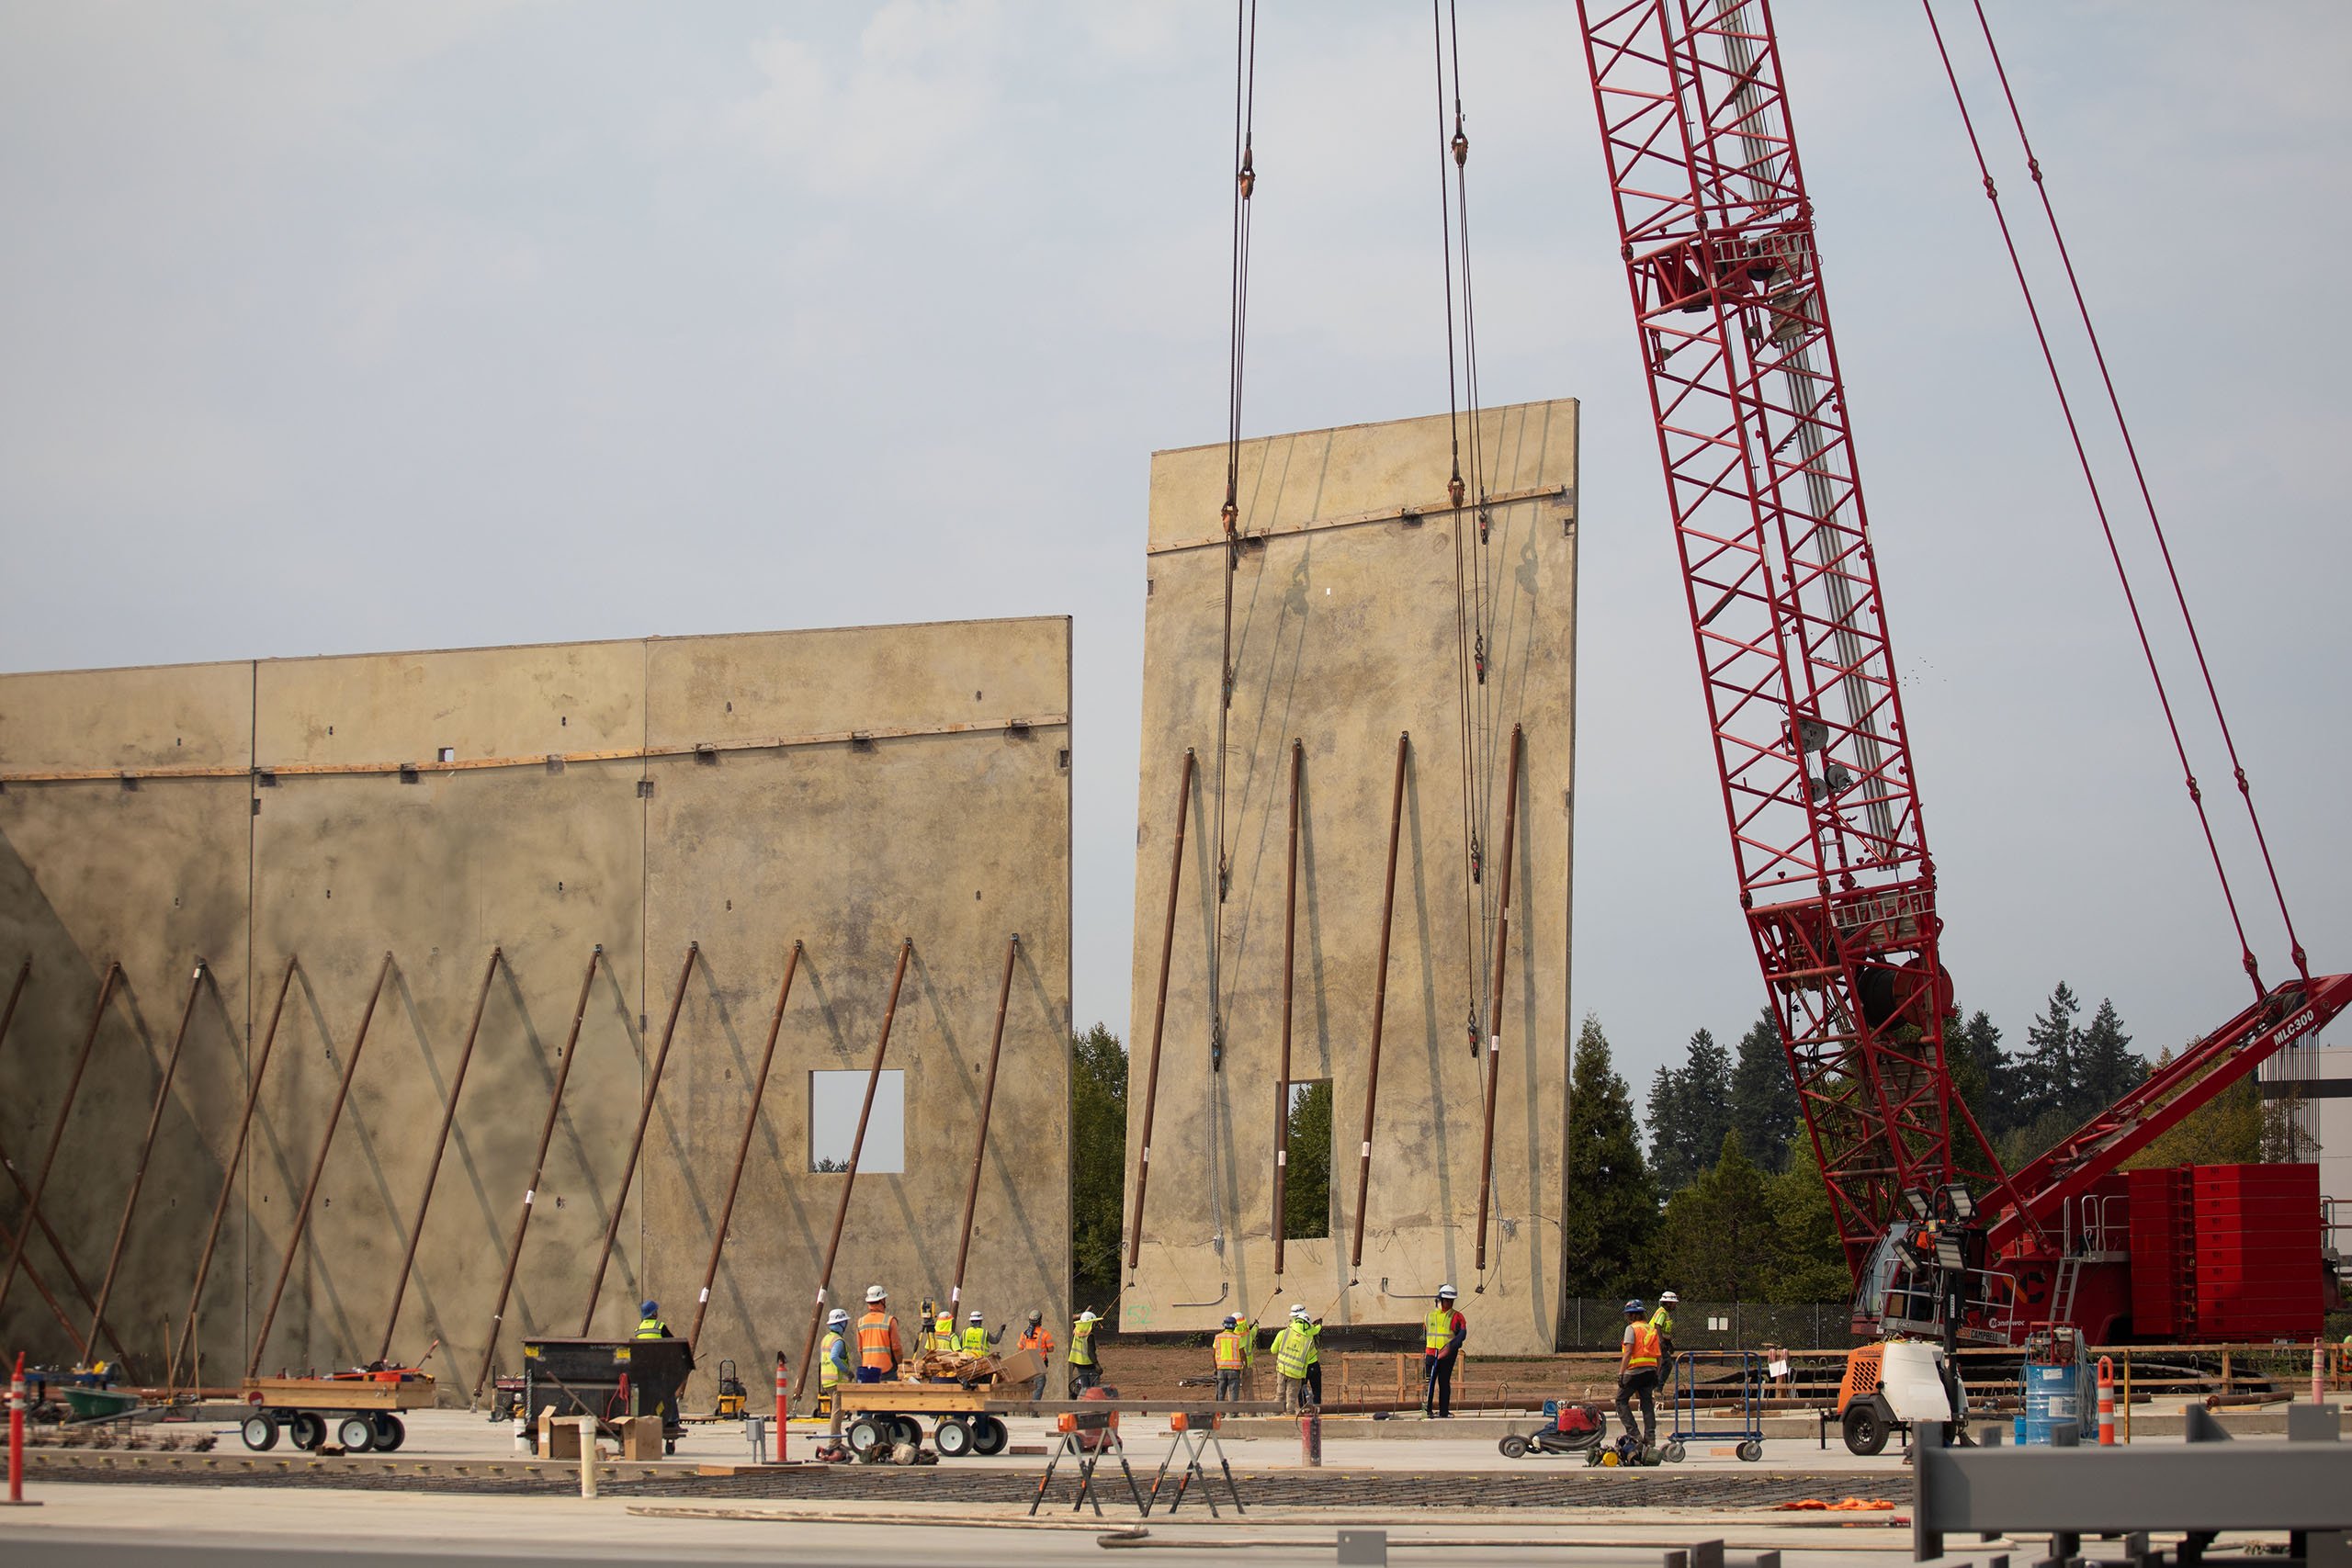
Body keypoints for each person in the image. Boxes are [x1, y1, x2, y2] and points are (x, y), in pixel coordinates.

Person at [632, 1300, 686, 1432]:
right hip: (659, 1367)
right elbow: (673, 1343)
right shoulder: (659, 1326)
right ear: (653, 1313)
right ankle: (673, 1421)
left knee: (647, 1395)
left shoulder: (638, 1330)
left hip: (644, 1368)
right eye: (656, 1310)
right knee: (668, 1392)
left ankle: (646, 1420)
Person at [1616, 1298, 1663, 1451]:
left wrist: (1621, 1373)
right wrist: (1656, 1373)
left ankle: (1635, 1435)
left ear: (1631, 1315)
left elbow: (1628, 1352)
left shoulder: (1631, 1329)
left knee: (1621, 1401)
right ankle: (1650, 1438)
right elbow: (1659, 1355)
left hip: (1634, 1371)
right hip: (1650, 1371)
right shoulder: (1651, 1329)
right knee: (1647, 1403)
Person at [1421, 1283, 1466, 1418]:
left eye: (1451, 1300)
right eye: (1447, 1300)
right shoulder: (1429, 1316)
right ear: (1440, 1300)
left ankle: (1444, 1412)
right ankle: (1426, 1412)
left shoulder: (1457, 1316)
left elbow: (1462, 1334)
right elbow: (1426, 1333)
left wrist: (1450, 1348)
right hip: (1431, 1354)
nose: (1449, 1303)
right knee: (1428, 1383)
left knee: (1444, 1383)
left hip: (1447, 1356)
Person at [1271, 1304, 1318, 1414]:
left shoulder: (1283, 1333)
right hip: (1296, 1373)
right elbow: (1306, 1361)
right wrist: (1303, 1375)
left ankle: (1275, 1414)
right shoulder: (1308, 1340)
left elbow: (1273, 1350)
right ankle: (1290, 1415)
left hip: (1282, 1369)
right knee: (1291, 1397)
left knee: (1280, 1393)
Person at [856, 1285, 903, 1383]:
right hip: (886, 1371)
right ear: (882, 1300)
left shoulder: (861, 1322)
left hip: (867, 1370)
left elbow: (860, 1349)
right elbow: (896, 1348)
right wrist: (900, 1365)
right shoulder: (890, 1321)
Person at [818, 1307, 852, 1442]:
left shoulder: (826, 1339)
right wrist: (847, 1371)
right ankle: (834, 1442)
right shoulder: (838, 1341)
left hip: (827, 1381)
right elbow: (834, 1357)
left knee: (837, 1411)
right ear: (841, 1324)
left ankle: (835, 1440)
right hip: (836, 1382)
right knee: (837, 1412)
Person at [1212, 1314, 1250, 1404]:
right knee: (1233, 1394)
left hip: (1221, 1369)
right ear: (1234, 1326)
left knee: (1220, 1394)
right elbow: (1243, 1355)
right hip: (1234, 1370)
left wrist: (1215, 1368)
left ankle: (1220, 1410)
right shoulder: (1237, 1338)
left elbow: (1213, 1354)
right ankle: (1233, 1411)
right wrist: (1245, 1367)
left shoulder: (1218, 1337)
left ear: (1224, 1325)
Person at [1017, 1310, 1055, 1400]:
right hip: (1039, 1364)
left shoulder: (1024, 1334)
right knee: (1039, 1385)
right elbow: (1051, 1349)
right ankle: (1034, 1407)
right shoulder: (1044, 1333)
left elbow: (1020, 1348)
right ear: (1040, 1320)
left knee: (1028, 1387)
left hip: (1027, 1364)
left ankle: (1027, 1406)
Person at [1069, 1309, 1102, 1394]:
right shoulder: (1089, 1336)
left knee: (1084, 1386)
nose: (1095, 1325)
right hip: (1088, 1364)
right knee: (1094, 1386)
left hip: (1078, 1363)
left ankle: (1084, 1399)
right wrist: (1097, 1365)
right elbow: (1090, 1352)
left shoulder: (1076, 1332)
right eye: (1094, 1323)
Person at [1649, 1291, 1679, 1361]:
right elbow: (1657, 1326)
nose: (1675, 1306)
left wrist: (1669, 1343)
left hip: (1657, 1340)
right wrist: (1661, 1342)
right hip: (1654, 1340)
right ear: (1668, 1303)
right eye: (1674, 1303)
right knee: (1665, 1362)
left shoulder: (1665, 1313)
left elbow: (1663, 1331)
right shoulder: (1662, 1313)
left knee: (1664, 1361)